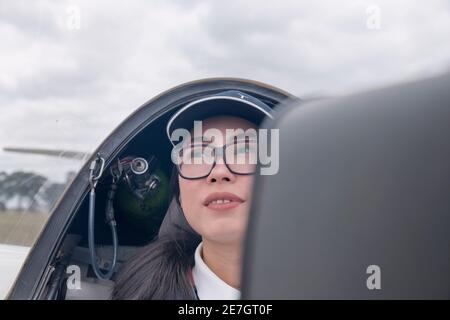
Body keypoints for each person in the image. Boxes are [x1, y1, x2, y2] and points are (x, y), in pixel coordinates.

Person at [111, 90, 273, 300]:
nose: (219, 172)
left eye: (244, 150)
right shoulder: (140, 293)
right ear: (179, 192)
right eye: (197, 154)